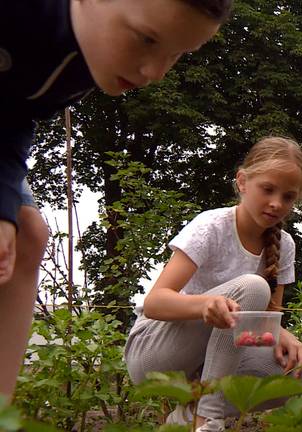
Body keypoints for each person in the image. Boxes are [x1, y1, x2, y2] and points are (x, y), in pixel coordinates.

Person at [0, 0, 227, 397]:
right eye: (146, 39)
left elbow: (14, 112)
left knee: (26, 235)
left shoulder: (81, 62)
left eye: (176, 54)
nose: (155, 72)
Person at [124, 136, 302, 432]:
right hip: (155, 353)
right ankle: (209, 421)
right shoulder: (211, 226)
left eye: (289, 196)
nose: (277, 203)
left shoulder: (285, 246)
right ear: (242, 181)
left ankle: (188, 416)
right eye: (267, 189)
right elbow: (154, 303)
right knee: (253, 287)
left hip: (213, 364)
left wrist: (283, 335)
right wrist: (204, 304)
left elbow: (261, 327)